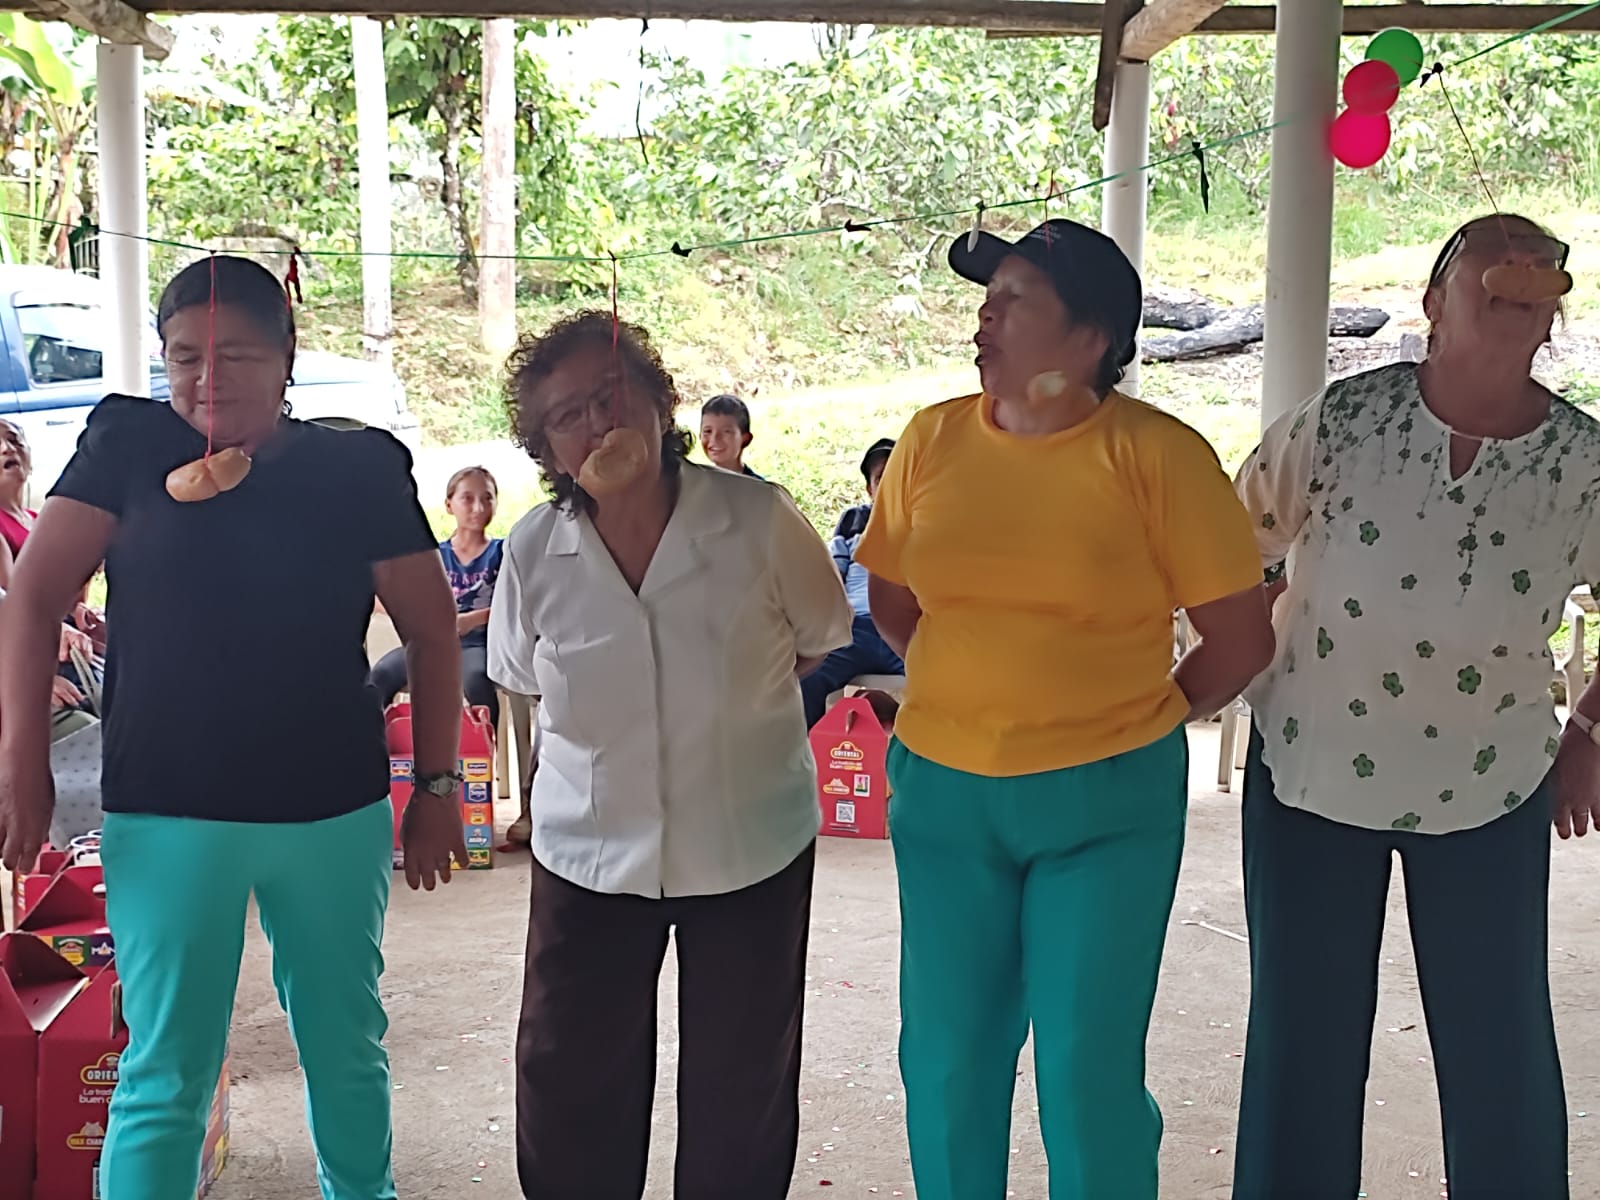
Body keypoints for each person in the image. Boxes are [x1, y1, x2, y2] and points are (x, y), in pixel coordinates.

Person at [0, 254, 468, 1200]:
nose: (208, 381)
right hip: (167, 810)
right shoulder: (127, 443)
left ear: (288, 357)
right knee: (165, 1066)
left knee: (344, 1042)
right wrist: (22, 763)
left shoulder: (357, 467)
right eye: (185, 358)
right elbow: (36, 598)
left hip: (329, 811)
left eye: (239, 356)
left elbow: (428, 631)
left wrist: (436, 786)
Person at [855, 218, 1273, 1200]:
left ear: (1090, 338)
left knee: (1086, 1074)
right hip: (945, 796)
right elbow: (894, 599)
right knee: (946, 1062)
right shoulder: (932, 439)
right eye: (985, 298)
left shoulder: (1159, 456)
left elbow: (1239, 637)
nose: (985, 318)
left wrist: (1129, 719)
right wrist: (972, 689)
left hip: (1106, 807)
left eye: (1015, 301)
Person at [1230, 214, 1593, 1200]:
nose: (1520, 273)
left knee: (1498, 1041)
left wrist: (1590, 731)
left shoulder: (1583, 462)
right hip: (1310, 767)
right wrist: (1233, 653)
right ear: (1434, 302)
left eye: (1540, 268)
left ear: (1552, 311)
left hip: (1493, 780)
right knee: (1300, 1040)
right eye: (1494, 259)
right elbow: (1231, 538)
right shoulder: (1346, 419)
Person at [489, 311, 851, 1199]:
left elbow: (818, 637)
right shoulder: (535, 548)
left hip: (748, 843)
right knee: (568, 1079)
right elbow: (517, 673)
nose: (597, 424)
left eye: (611, 396)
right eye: (567, 415)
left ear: (661, 402)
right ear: (547, 450)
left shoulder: (758, 519)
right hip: (587, 851)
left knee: (742, 1083)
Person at [370, 464, 504, 728]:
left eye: (487, 498)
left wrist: (471, 620)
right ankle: (376, 746)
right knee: (381, 675)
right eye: (467, 498)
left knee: (476, 681)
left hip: (477, 645)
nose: (478, 507)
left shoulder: (502, 552)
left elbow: (515, 604)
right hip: (429, 643)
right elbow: (384, 596)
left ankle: (485, 750)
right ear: (449, 505)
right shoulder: (435, 556)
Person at [800, 436, 904, 727]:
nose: (888, 484)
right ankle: (807, 752)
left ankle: (919, 753)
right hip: (856, 628)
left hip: (906, 629)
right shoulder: (854, 520)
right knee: (807, 680)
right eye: (880, 478)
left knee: (941, 684)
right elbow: (832, 574)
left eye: (896, 476)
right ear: (870, 488)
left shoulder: (924, 522)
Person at [700, 392, 763, 478]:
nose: (714, 438)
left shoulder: (756, 485)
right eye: (708, 431)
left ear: (746, 439)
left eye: (726, 432)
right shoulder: (697, 482)